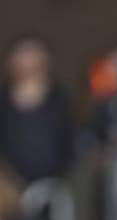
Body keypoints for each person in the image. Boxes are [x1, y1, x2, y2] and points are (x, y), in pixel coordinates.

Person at [0, 37, 76, 185]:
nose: (28, 62)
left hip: (54, 182)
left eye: (34, 55)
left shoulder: (60, 99)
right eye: (23, 54)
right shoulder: (2, 100)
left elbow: (70, 141)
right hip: (8, 184)